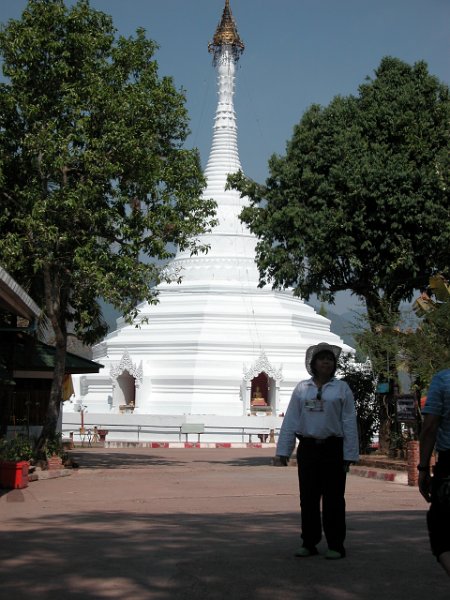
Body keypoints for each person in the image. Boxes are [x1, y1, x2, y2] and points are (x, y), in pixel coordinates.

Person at [276, 342, 359, 560]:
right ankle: (309, 542)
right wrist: (284, 450)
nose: (326, 363)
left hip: (333, 447)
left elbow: (349, 422)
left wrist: (350, 454)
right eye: (322, 359)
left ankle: (336, 544)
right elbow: (291, 420)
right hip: (308, 447)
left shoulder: (341, 388)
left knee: (334, 499)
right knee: (308, 498)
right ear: (313, 364)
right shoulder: (303, 389)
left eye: (329, 359)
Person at [418, 368, 450, 577]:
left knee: (442, 533)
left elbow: (430, 427)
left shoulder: (443, 379)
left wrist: (423, 468)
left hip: (449, 464)